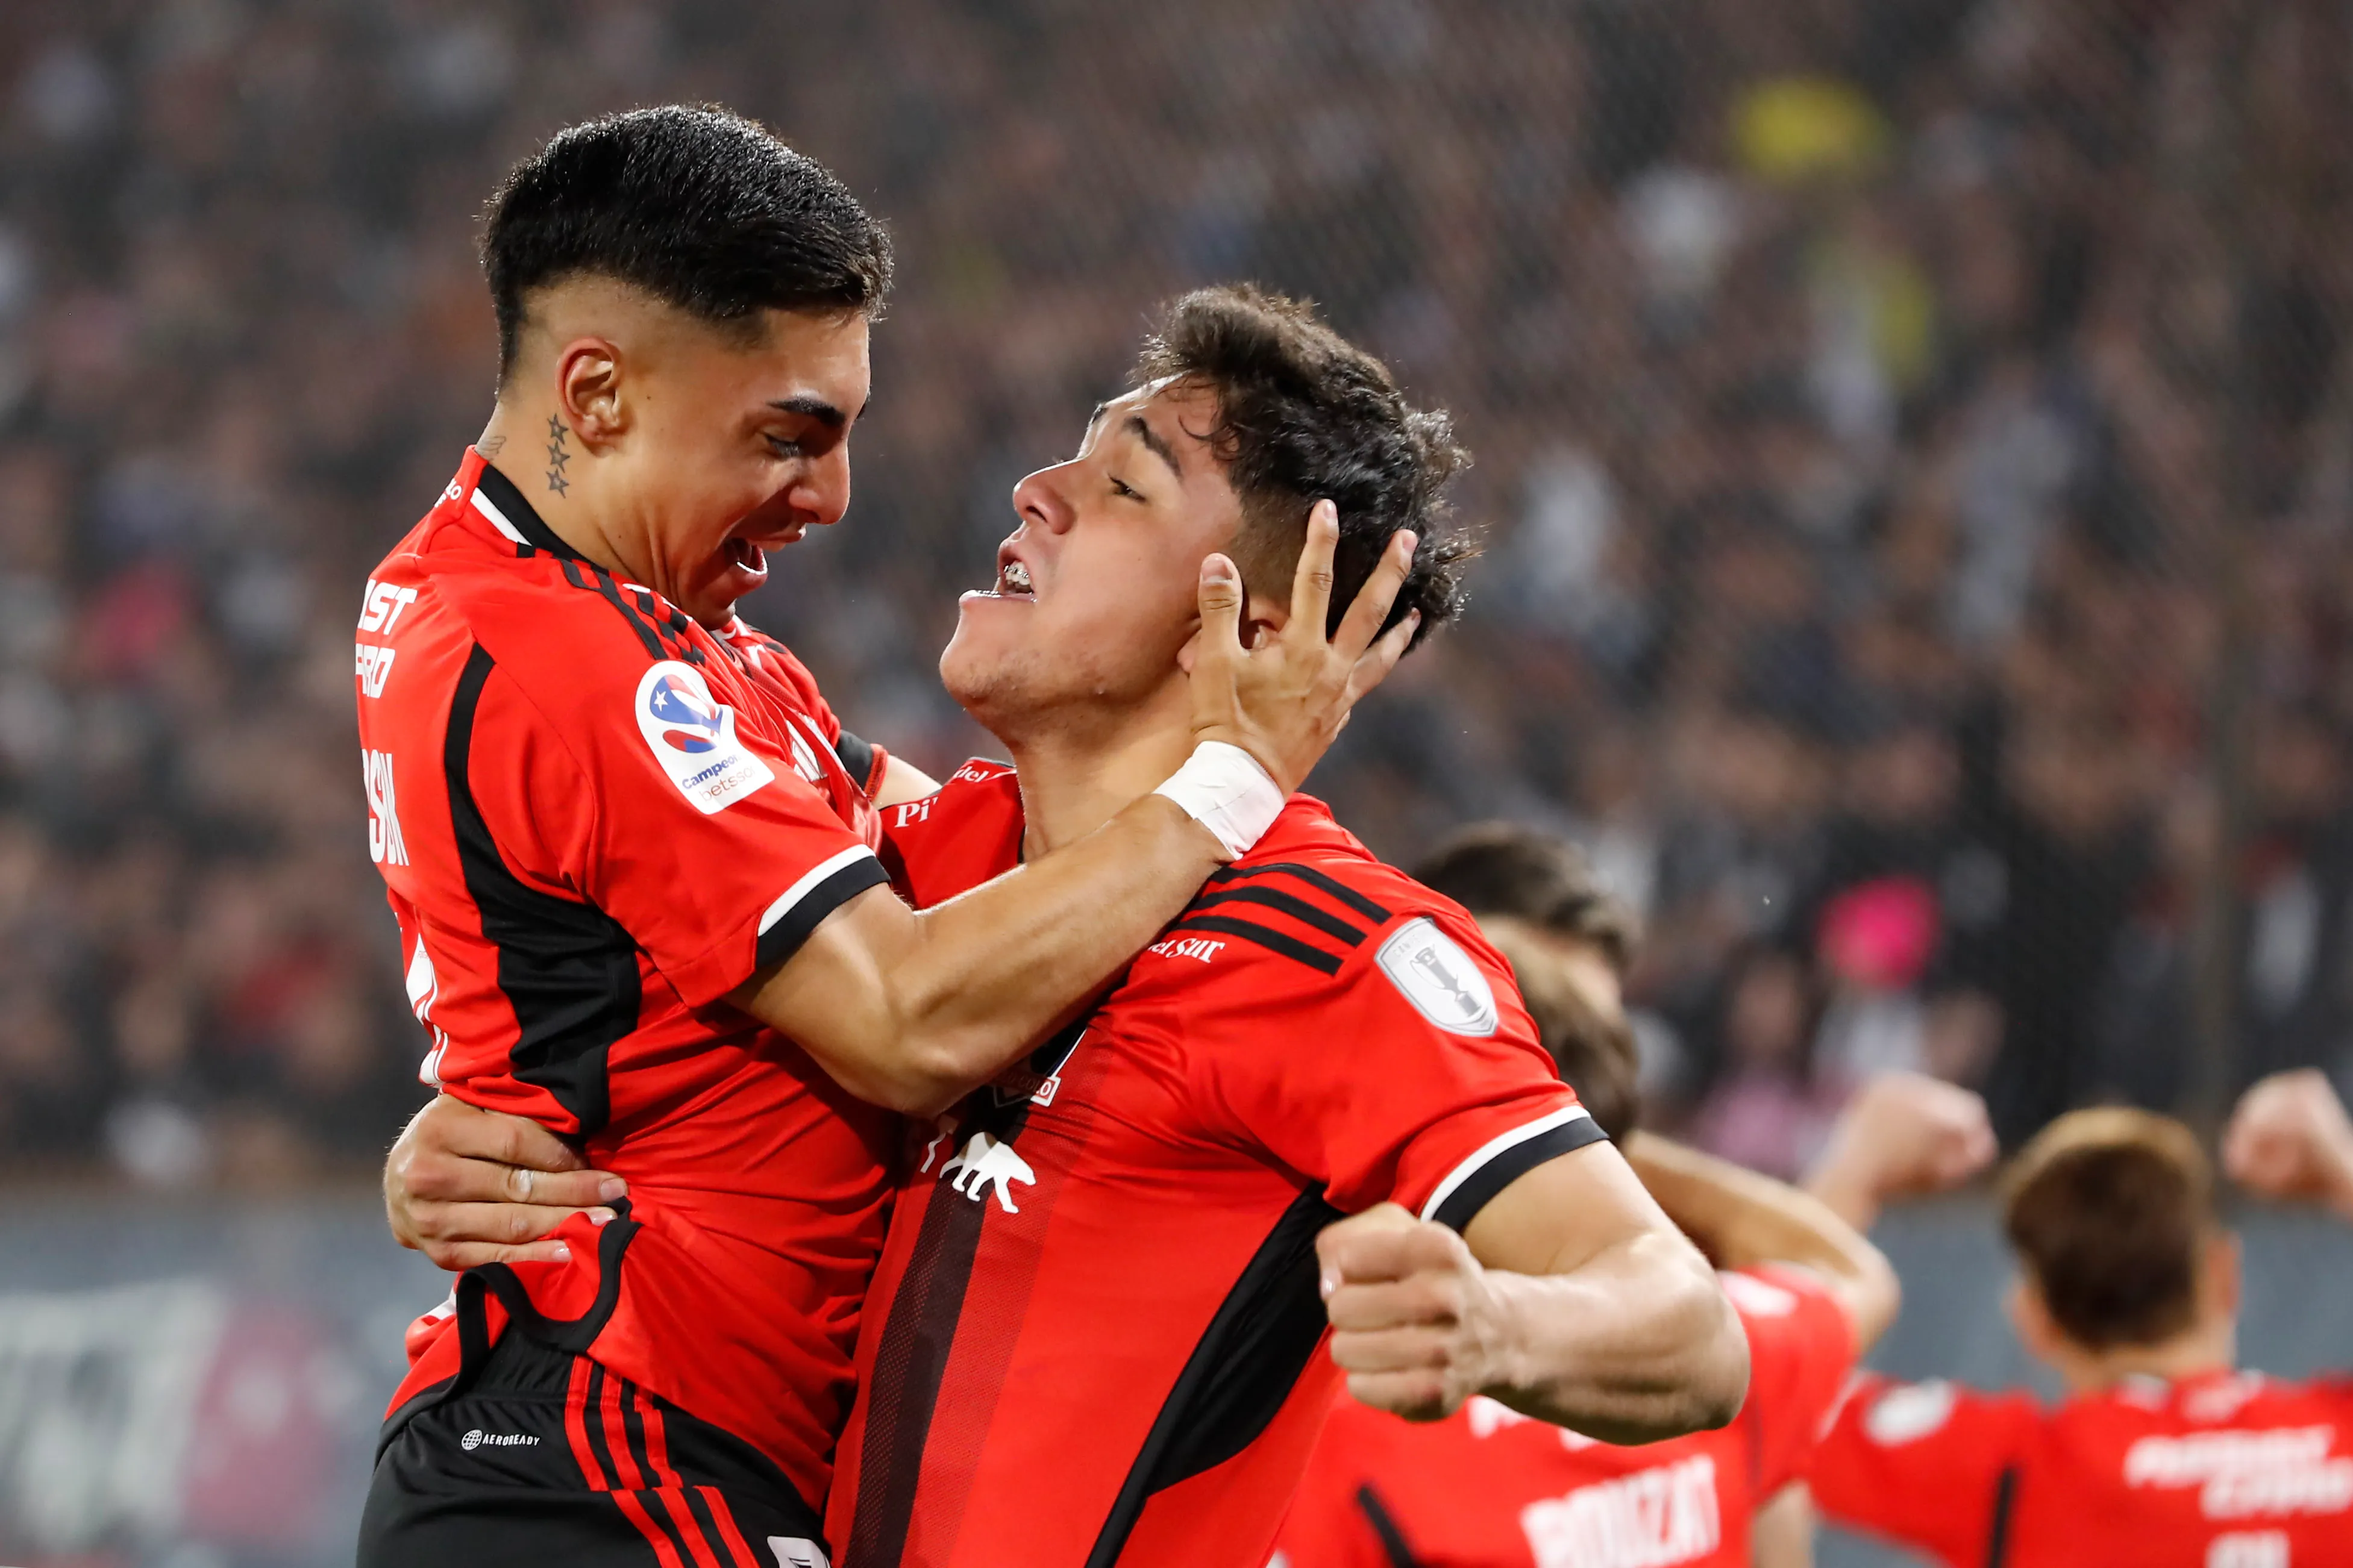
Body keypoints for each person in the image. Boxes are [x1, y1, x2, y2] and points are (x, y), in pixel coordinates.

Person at [384, 286, 1753, 1568]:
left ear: (1255, 623)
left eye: (1120, 482)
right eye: (1069, 457)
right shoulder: (921, 865)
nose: (1038, 489)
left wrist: (1498, 1316)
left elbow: (1683, 1324)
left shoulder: (1332, 945)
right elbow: (644, 922)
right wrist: (487, 1118)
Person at [354, 108, 1416, 1568]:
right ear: (595, 394)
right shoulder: (571, 658)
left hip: (638, 1451)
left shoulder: (680, 655)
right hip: (599, 1462)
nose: (828, 497)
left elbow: (990, 849)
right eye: (787, 436)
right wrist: (1236, 770)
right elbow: (905, 1011)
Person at [1274, 822, 1996, 1568]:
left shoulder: (1675, 1337)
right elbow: (1839, 1274)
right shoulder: (1313, 1382)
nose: (1533, 1069)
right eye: (1502, 1030)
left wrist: (1546, 1139)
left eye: (1559, 1047)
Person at [1805, 1069, 2353, 1566]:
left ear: (2034, 1320)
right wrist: (2341, 1163)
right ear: (2225, 1276)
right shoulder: (2335, 1438)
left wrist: (1858, 1165)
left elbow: (1765, 1386)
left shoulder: (2014, 1475)